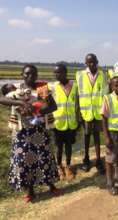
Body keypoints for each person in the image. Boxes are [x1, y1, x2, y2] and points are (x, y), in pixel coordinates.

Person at [0, 64, 60, 203]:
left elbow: (53, 106)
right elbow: (1, 99)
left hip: (39, 130)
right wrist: (21, 102)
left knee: (44, 157)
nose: (30, 77)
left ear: (37, 75)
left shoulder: (42, 88)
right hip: (21, 132)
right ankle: (30, 191)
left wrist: (36, 110)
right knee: (24, 160)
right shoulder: (15, 89)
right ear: (22, 74)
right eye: (27, 74)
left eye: (33, 74)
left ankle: (51, 185)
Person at [76, 53, 108, 173]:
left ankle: (99, 160)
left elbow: (105, 94)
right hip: (86, 112)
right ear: (86, 63)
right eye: (89, 62)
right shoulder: (80, 75)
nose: (92, 64)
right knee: (86, 136)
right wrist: (78, 112)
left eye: (94, 62)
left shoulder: (103, 75)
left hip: (98, 112)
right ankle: (86, 159)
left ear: (97, 61)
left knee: (97, 137)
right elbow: (78, 94)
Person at [50, 64, 78, 180]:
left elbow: (77, 104)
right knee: (59, 146)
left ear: (65, 73)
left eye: (59, 72)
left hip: (71, 122)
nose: (56, 75)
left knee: (69, 146)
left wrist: (79, 120)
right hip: (58, 123)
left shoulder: (75, 86)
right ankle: (59, 166)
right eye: (55, 73)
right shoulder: (52, 87)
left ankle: (68, 166)